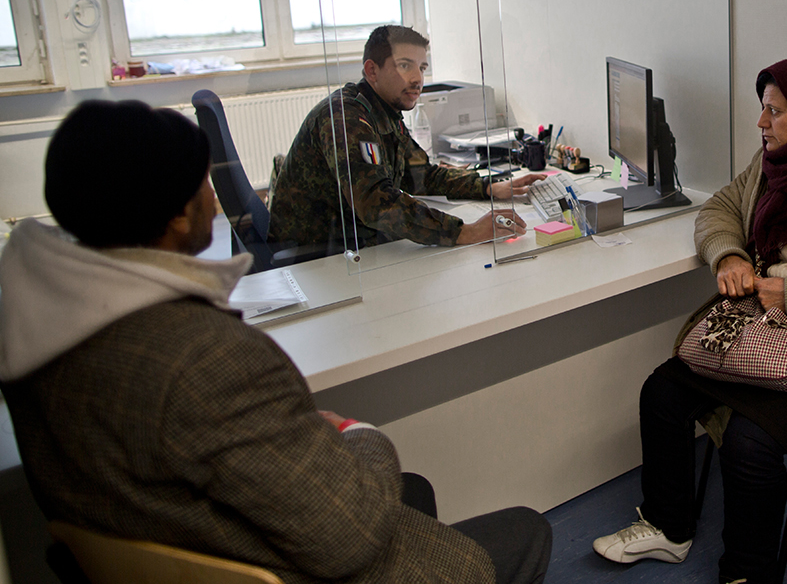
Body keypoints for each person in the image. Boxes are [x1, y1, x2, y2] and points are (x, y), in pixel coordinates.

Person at [0, 100, 553, 584]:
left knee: (413, 493)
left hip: (176, 545)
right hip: (283, 567)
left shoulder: (36, 329)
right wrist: (355, 433)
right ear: (172, 216)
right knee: (524, 531)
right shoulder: (206, 357)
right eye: (202, 190)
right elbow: (349, 535)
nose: (216, 207)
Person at [592, 58, 787, 584]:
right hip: (764, 323)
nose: (761, 123)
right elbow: (720, 208)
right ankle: (667, 527)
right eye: (762, 109)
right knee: (662, 392)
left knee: (751, 441)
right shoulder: (773, 160)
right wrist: (729, 255)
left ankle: (747, 574)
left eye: (775, 111)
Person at [268, 25, 543, 255]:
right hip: (318, 255)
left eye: (422, 68)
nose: (417, 79)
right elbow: (377, 203)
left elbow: (423, 175)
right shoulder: (347, 118)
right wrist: (464, 231)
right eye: (404, 66)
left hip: (354, 240)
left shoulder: (384, 112)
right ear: (372, 71)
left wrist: (490, 188)